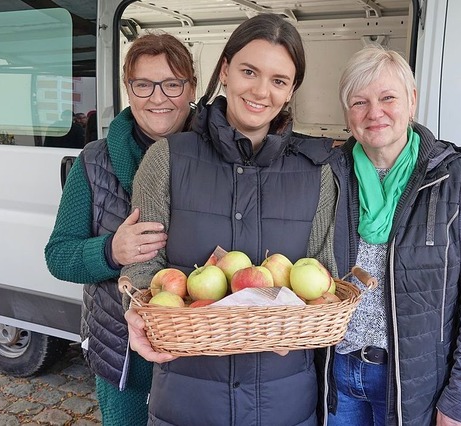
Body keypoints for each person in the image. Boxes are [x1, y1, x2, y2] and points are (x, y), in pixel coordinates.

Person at [122, 14, 338, 426]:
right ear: (225, 70)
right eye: (249, 71)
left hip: (284, 404)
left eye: (279, 80)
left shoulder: (317, 171)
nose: (261, 91)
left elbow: (323, 280)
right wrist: (135, 310)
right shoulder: (167, 157)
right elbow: (143, 268)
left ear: (292, 90)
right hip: (186, 399)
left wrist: (298, 325)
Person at [320, 45, 461, 426]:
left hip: (412, 389)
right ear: (346, 113)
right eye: (359, 102)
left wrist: (459, 401)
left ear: (412, 100)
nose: (374, 113)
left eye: (387, 97)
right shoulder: (328, 176)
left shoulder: (452, 182)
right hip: (335, 377)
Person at [44, 32, 197, 426]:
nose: (158, 97)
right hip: (123, 358)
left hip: (201, 353)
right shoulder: (95, 162)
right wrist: (111, 251)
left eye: (172, 83)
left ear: (191, 87)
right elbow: (59, 255)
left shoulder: (218, 155)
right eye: (143, 84)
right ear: (129, 89)